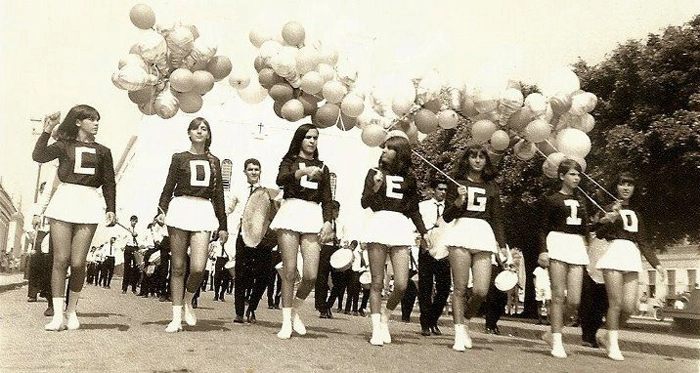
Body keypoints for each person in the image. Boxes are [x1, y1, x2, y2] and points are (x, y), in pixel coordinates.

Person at [31, 105, 117, 331]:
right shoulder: (64, 145)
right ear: (78, 122)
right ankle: (58, 315)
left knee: (78, 263)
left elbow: (109, 182)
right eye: (91, 119)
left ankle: (72, 309)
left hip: (88, 203)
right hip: (65, 200)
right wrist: (47, 130)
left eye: (98, 119)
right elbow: (38, 155)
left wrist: (111, 208)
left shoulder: (104, 151)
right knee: (60, 260)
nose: (96, 123)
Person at [155, 117, 228, 333]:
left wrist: (223, 225)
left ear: (208, 134)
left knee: (197, 267)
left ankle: (188, 299)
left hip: (203, 210)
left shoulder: (214, 161)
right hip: (180, 208)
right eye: (195, 128)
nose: (199, 131)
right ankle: (176, 317)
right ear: (189, 133)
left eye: (204, 128)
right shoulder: (179, 158)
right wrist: (161, 210)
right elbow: (168, 186)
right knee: (178, 266)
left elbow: (219, 196)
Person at [360, 131, 430, 346]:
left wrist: (424, 232)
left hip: (399, 227)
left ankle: (385, 317)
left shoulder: (410, 178)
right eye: (384, 147)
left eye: (390, 148)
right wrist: (375, 188)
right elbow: (365, 202)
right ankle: (375, 328)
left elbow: (414, 209)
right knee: (377, 282)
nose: (385, 151)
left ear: (400, 153)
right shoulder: (374, 173)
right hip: (379, 224)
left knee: (401, 283)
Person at [269, 123, 334, 339]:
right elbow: (280, 180)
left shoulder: (323, 166)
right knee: (288, 271)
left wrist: (328, 222)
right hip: (291, 211)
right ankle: (286, 320)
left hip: (312, 215)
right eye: (308, 137)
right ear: (300, 139)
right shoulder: (289, 162)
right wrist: (301, 171)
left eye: (315, 137)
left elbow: (327, 199)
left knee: (310, 275)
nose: (312, 141)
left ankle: (296, 309)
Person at [441, 144, 506, 351]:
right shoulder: (456, 183)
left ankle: (466, 320)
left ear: (486, 161)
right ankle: (459, 332)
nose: (477, 161)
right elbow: (447, 216)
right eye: (473, 157)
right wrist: (459, 201)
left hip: (483, 234)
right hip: (461, 231)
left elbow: (497, 218)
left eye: (481, 157)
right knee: (460, 288)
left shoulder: (491, 186)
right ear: (466, 160)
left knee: (480, 290)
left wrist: (502, 245)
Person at [594, 173, 665, 361]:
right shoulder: (608, 208)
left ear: (634, 189)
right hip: (614, 253)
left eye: (630, 185)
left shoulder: (637, 213)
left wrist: (656, 264)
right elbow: (599, 234)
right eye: (622, 184)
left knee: (629, 306)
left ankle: (605, 335)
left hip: (631, 256)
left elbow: (643, 241)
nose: (626, 188)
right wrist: (609, 218)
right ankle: (614, 345)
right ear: (616, 187)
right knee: (615, 303)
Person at [538, 159, 590, 358]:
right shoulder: (551, 199)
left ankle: (553, 331)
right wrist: (543, 251)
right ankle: (557, 341)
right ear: (561, 176)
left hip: (576, 245)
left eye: (578, 175)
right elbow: (542, 228)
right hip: (557, 242)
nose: (576, 178)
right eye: (572, 174)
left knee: (574, 300)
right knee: (558, 295)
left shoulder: (582, 201)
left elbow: (586, 229)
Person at [230, 158, 279, 324]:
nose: (253, 172)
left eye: (256, 169)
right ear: (245, 172)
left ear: (260, 172)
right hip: (243, 236)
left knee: (264, 276)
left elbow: (276, 210)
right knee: (241, 274)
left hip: (263, 238)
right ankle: (239, 313)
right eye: (250, 169)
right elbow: (228, 208)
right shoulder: (238, 190)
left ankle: (252, 307)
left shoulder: (268, 191)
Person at [417, 179, 451, 336]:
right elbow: (416, 227)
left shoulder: (450, 208)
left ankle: (433, 319)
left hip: (443, 251)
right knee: (425, 287)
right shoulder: (423, 206)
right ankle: (425, 323)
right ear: (432, 190)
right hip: (426, 249)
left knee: (444, 288)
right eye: (440, 189)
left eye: (445, 189)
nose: (443, 192)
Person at [316, 200, 341, 319]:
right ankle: (322, 308)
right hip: (324, 250)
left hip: (335, 250)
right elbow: (318, 238)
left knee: (339, 282)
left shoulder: (339, 224)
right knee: (322, 280)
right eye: (336, 210)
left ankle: (328, 305)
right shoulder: (322, 223)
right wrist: (331, 237)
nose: (338, 213)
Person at [121, 215, 142, 294]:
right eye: (133, 221)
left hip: (135, 248)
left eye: (135, 221)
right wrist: (122, 246)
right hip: (128, 248)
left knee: (136, 268)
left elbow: (140, 239)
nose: (134, 222)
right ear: (130, 221)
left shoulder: (138, 230)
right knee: (127, 268)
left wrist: (137, 235)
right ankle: (124, 288)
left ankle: (134, 288)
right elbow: (122, 238)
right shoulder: (126, 229)